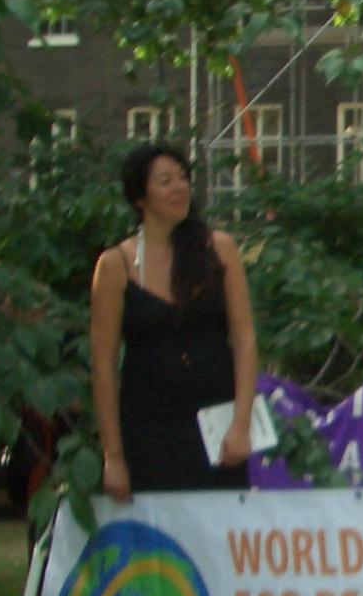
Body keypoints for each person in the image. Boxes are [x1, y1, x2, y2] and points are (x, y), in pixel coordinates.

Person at [91, 143, 259, 500]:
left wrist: (241, 425)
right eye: (165, 181)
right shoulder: (114, 266)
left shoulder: (220, 249)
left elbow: (244, 339)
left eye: (183, 178)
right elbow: (104, 366)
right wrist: (114, 457)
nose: (179, 188)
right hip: (149, 428)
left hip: (216, 422)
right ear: (141, 197)